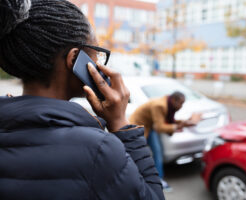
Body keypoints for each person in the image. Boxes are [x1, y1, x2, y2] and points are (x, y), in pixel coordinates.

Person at [0, 0, 164, 199]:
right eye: (97, 54)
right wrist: (120, 124)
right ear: (74, 58)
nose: (98, 63)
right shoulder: (99, 150)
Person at [129, 92, 199, 190]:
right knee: (139, 154)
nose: (181, 107)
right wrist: (179, 125)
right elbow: (160, 127)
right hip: (138, 127)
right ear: (174, 100)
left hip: (149, 126)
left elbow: (167, 121)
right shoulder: (160, 105)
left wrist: (185, 122)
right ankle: (134, 179)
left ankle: (158, 179)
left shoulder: (168, 104)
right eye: (180, 103)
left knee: (158, 151)